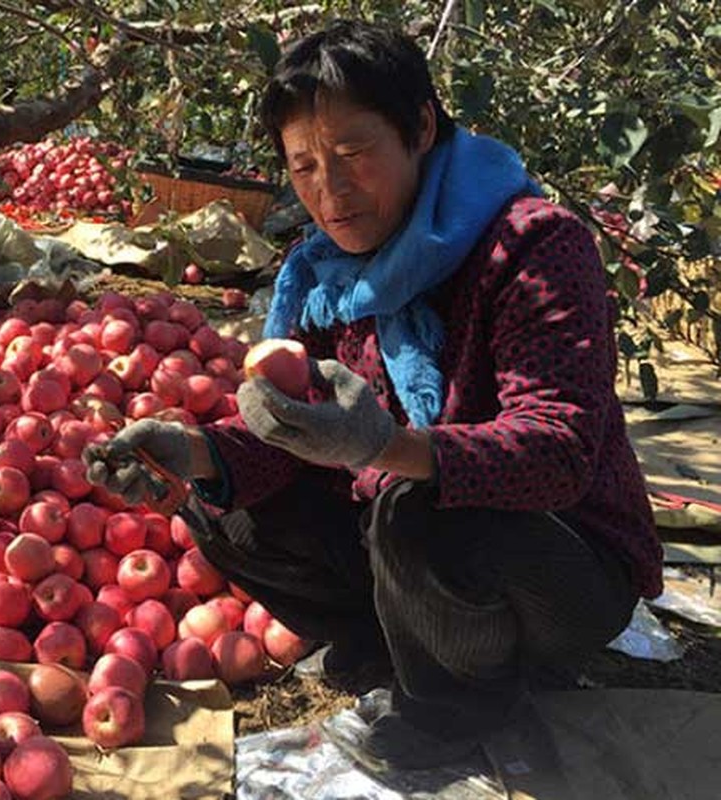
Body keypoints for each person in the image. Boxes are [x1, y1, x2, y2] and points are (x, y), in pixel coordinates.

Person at [83, 19, 661, 770]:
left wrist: (388, 446)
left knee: (418, 504)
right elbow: (295, 442)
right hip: (407, 542)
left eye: (353, 154)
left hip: (563, 568)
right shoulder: (330, 276)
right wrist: (193, 451)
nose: (331, 191)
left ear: (420, 126)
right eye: (304, 168)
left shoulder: (533, 245)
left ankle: (456, 705)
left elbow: (560, 450)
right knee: (221, 504)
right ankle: (392, 651)